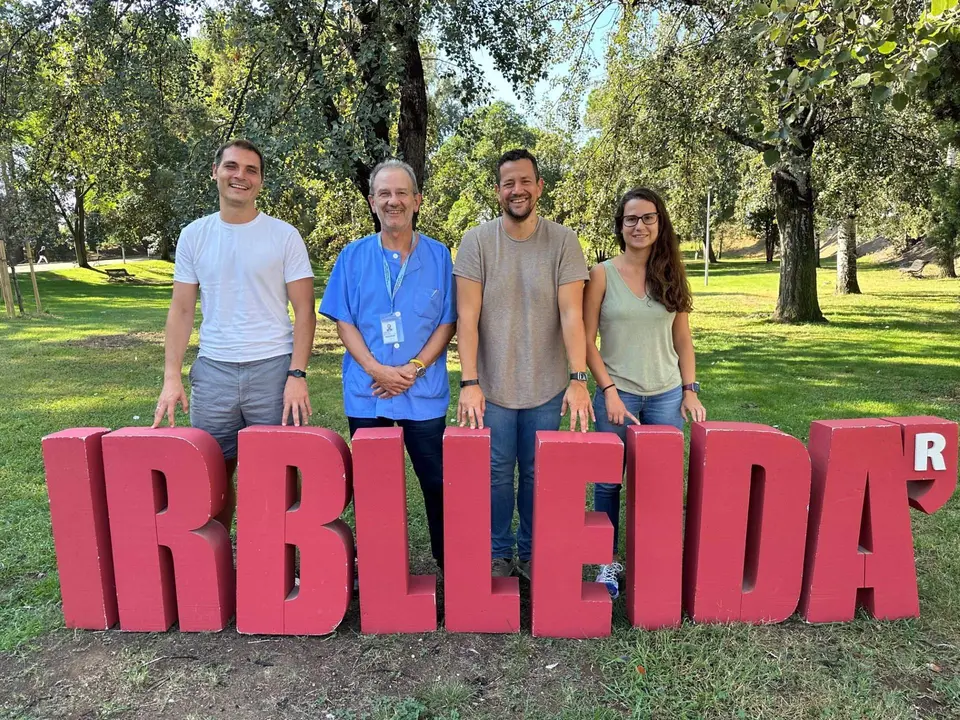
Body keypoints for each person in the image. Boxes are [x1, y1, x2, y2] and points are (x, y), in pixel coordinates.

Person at [152, 139, 316, 530]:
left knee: (280, 480)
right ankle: (215, 568)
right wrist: (171, 377)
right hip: (214, 373)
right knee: (211, 480)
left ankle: (279, 574)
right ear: (215, 172)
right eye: (231, 167)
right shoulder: (194, 235)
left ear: (260, 182)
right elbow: (181, 309)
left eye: (251, 170)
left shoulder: (284, 236)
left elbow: (305, 310)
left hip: (273, 370)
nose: (240, 176)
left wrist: (297, 374)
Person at [454, 148, 593, 581]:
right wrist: (470, 381)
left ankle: (533, 553)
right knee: (495, 475)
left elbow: (573, 314)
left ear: (539, 187)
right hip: (492, 386)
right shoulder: (476, 241)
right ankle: (498, 552)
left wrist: (577, 377)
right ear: (498, 191)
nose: (518, 190)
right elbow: (468, 317)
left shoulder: (564, 241)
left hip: (549, 385)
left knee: (538, 473)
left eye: (525, 181)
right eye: (509, 183)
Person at [319, 159, 456, 571]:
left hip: (424, 392)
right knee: (373, 485)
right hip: (369, 392)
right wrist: (376, 369)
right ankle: (381, 568)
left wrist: (413, 367)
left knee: (437, 482)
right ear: (372, 201)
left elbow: (448, 321)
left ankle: (451, 564)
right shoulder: (352, 256)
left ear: (417, 200)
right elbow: (344, 321)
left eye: (401, 193)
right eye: (384, 194)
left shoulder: (440, 256)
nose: (393, 201)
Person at [583, 187, 707, 598]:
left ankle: (654, 562)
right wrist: (609, 391)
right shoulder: (601, 274)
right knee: (607, 482)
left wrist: (689, 390)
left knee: (658, 482)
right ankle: (606, 565)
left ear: (660, 222)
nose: (639, 226)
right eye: (631, 219)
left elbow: (683, 339)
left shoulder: (672, 271)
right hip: (617, 394)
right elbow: (585, 341)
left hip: (666, 395)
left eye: (647, 218)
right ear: (620, 226)